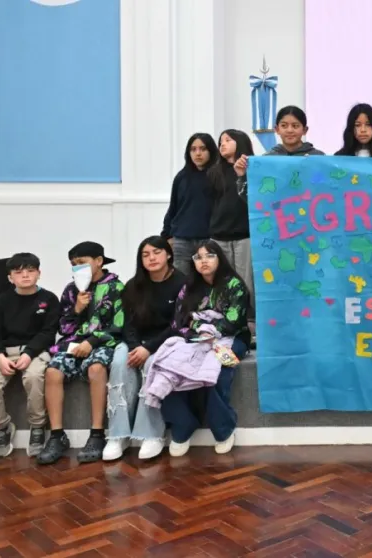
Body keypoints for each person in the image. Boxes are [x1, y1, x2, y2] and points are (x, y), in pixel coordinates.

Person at [160, 241, 251, 457]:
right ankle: (183, 425)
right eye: (198, 257)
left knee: (216, 372)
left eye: (209, 256)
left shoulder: (234, 285)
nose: (204, 261)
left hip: (232, 338)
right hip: (194, 339)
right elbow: (179, 321)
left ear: (220, 258)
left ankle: (223, 429)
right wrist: (198, 331)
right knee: (169, 370)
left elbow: (234, 321)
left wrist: (206, 328)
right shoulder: (188, 287)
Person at [38, 242, 124, 465]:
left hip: (104, 343)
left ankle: (97, 433)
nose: (78, 268)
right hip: (73, 345)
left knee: (96, 369)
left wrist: (93, 341)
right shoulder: (71, 289)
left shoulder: (117, 288)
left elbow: (120, 326)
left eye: (83, 263)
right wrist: (76, 309)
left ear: (99, 261)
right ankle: (57, 436)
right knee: (53, 372)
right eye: (74, 265)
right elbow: (64, 329)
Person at [103, 237, 187, 461]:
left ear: (168, 254)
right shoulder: (134, 285)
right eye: (145, 254)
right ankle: (118, 434)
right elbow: (127, 323)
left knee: (152, 366)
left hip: (167, 342)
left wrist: (148, 349)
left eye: (156, 252)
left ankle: (151, 434)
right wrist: (135, 347)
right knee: (120, 362)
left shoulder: (182, 283)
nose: (151, 258)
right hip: (136, 342)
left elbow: (178, 325)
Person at [0, 253, 59, 458]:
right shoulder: (0, 302)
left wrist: (29, 353)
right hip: (5, 353)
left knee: (34, 377)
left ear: (39, 274)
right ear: (10, 277)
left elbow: (48, 332)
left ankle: (38, 427)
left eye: (30, 270)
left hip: (36, 351)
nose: (25, 275)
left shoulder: (48, 299)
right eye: (18, 272)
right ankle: (2, 427)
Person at [209, 129, 257, 326]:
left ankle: (250, 320)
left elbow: (254, 199)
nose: (223, 144)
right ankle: (226, 319)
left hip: (244, 234)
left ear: (241, 142)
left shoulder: (253, 167)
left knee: (247, 281)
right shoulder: (215, 171)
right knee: (223, 281)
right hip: (219, 234)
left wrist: (243, 176)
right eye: (220, 141)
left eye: (228, 140)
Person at [162, 132, 217, 274]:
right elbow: (173, 208)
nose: (198, 153)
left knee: (209, 281)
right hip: (182, 240)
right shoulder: (181, 177)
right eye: (193, 149)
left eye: (203, 149)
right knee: (181, 283)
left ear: (211, 150)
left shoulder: (218, 175)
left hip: (209, 239)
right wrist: (166, 236)